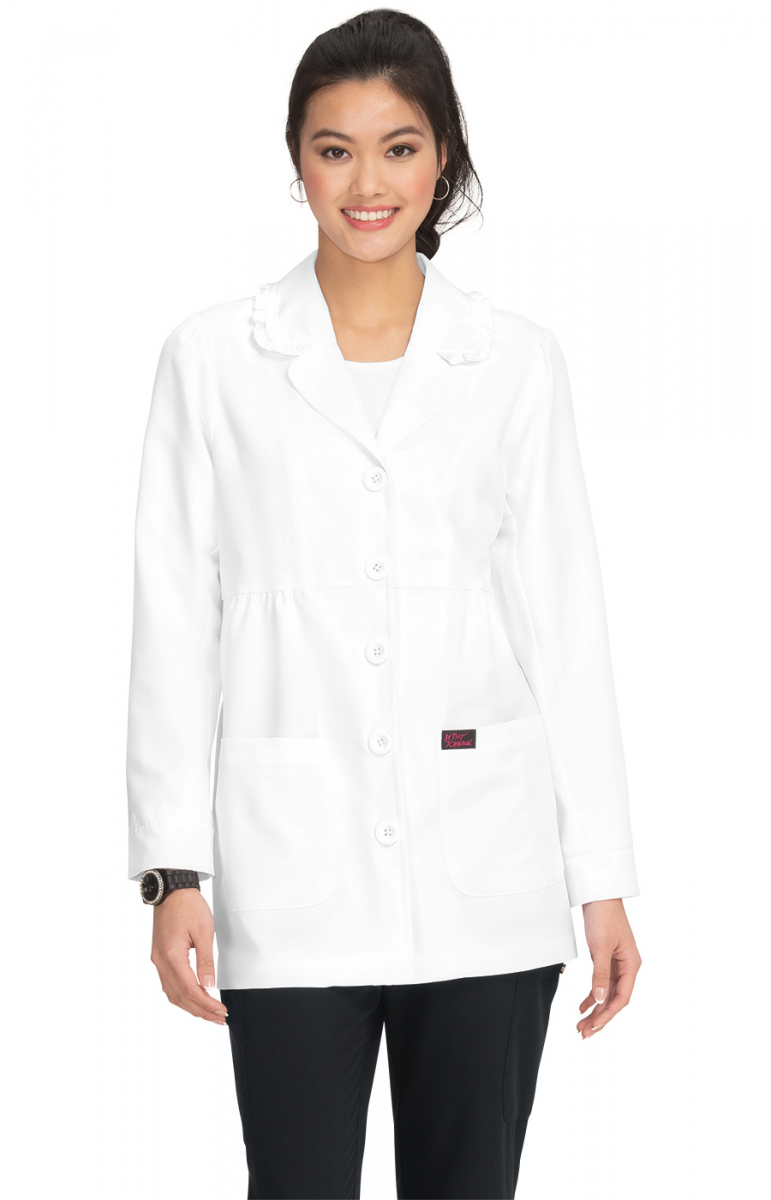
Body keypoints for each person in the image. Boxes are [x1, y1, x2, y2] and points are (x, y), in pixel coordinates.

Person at [126, 9, 642, 1198]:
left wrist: (602, 877)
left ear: (443, 156)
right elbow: (174, 625)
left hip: (489, 873)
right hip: (287, 873)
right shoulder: (213, 360)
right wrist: (171, 871)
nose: (368, 184)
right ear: (296, 161)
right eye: (336, 149)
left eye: (399, 148)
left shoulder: (515, 362)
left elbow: (566, 624)